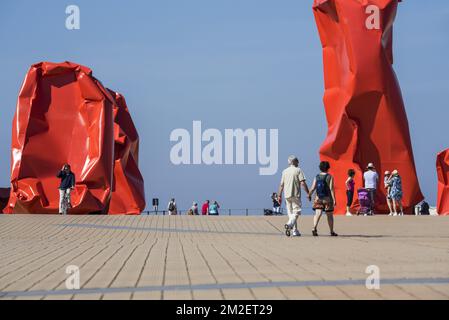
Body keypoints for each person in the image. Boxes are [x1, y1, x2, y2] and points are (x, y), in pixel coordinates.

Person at [278, 155, 310, 237]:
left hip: (287, 195)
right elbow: (302, 183)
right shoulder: (298, 170)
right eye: (297, 161)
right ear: (294, 162)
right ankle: (289, 224)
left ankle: (295, 231)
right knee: (297, 212)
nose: (298, 162)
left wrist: (279, 196)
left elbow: (281, 185)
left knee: (291, 213)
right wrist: (308, 193)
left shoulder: (284, 171)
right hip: (295, 195)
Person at [309, 161, 338, 236]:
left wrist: (309, 194)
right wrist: (334, 199)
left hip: (318, 198)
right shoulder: (329, 176)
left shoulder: (317, 176)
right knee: (329, 215)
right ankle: (331, 231)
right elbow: (331, 189)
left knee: (317, 213)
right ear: (328, 168)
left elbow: (313, 187)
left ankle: (314, 227)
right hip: (327, 199)